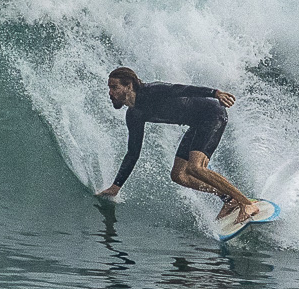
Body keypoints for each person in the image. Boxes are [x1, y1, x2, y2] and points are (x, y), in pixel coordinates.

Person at [97, 66, 260, 226]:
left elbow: (182, 89)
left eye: (114, 87)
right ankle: (228, 199)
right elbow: (133, 153)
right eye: (109, 88)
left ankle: (246, 203)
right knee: (179, 175)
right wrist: (115, 187)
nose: (110, 93)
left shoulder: (152, 91)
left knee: (196, 168)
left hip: (212, 114)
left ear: (129, 85)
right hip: (196, 124)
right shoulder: (134, 115)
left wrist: (215, 93)